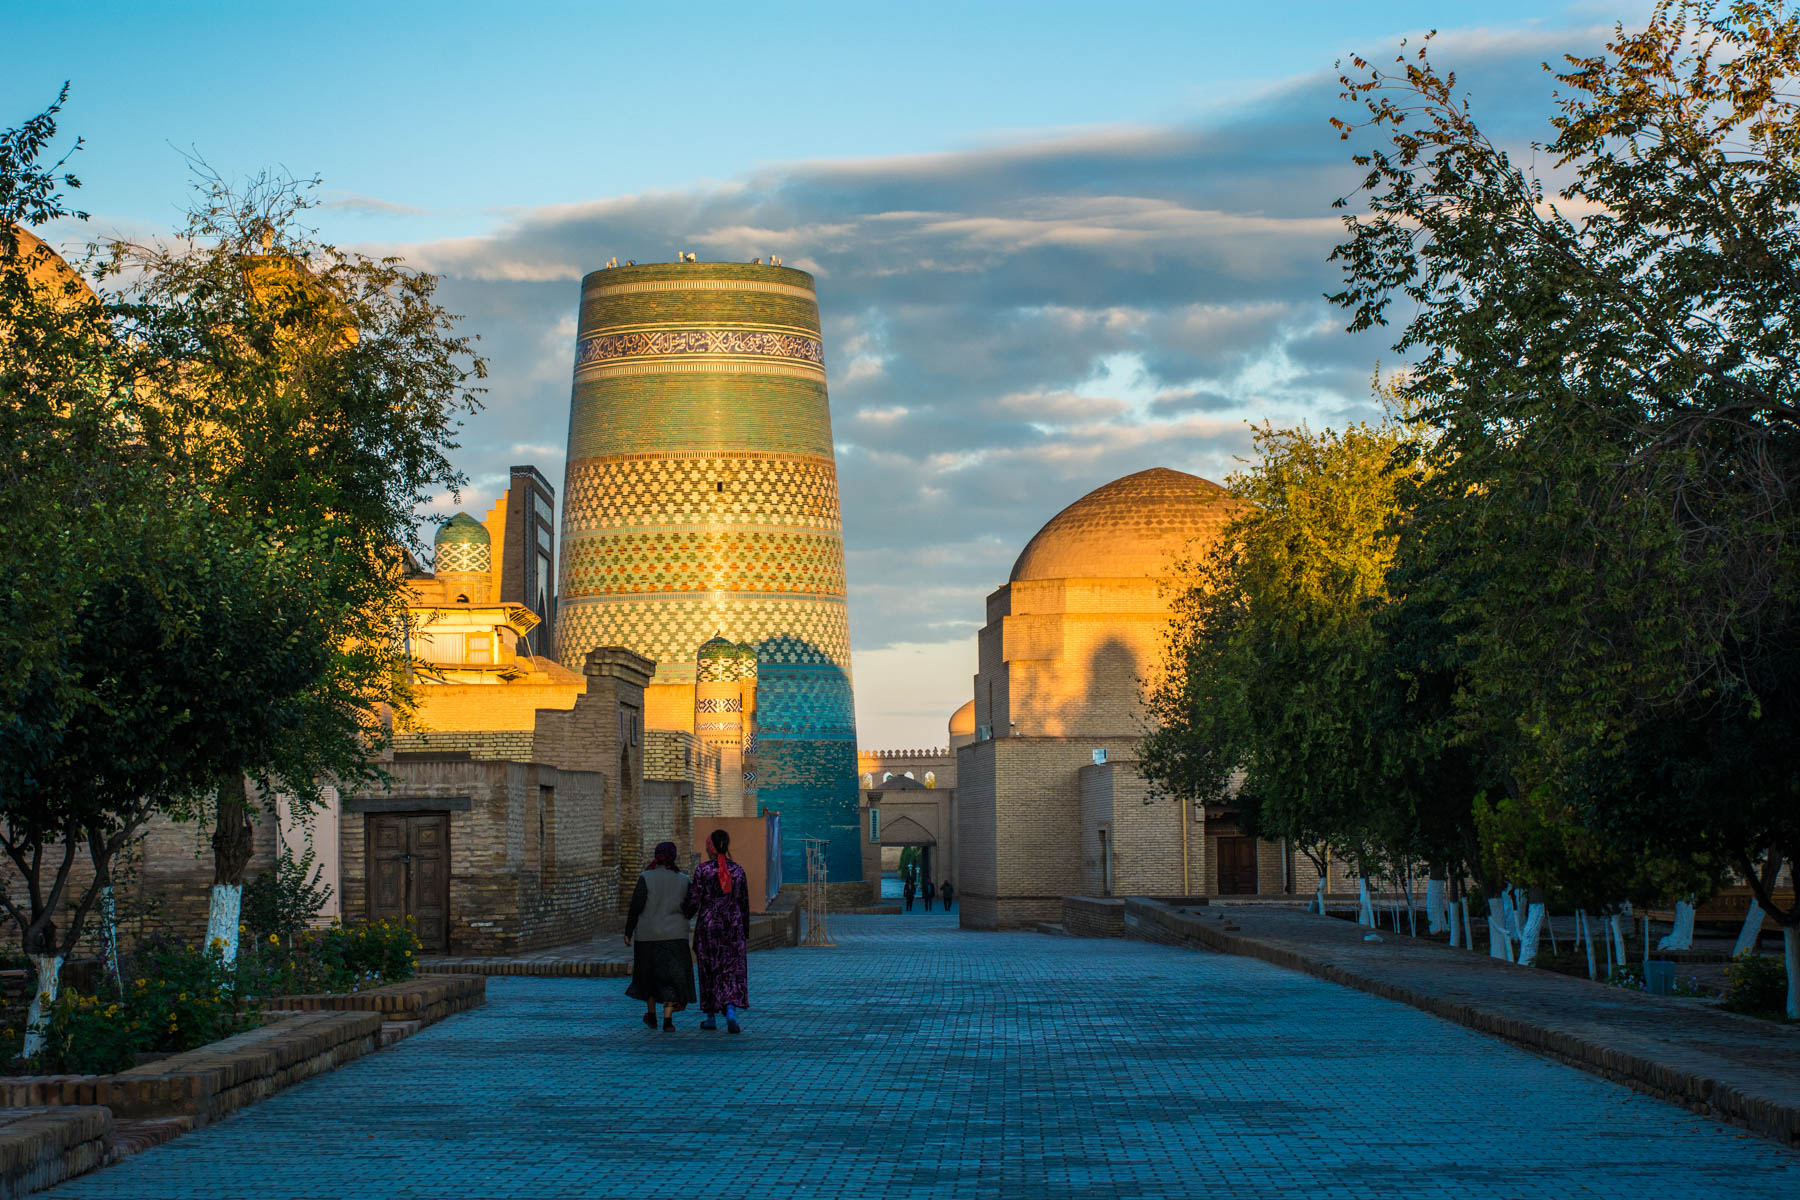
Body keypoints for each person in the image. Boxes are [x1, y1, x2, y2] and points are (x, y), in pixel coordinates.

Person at [624, 841, 697, 1031]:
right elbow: (691, 906)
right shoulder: (683, 879)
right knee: (671, 977)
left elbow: (636, 906)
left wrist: (628, 932)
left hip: (648, 936)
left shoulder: (645, 877)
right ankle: (668, 1019)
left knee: (649, 976)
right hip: (676, 936)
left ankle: (652, 1016)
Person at [687, 828, 750, 1033]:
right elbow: (744, 903)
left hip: (709, 928)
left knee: (709, 970)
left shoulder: (703, 871)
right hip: (733, 926)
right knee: (731, 970)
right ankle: (731, 1010)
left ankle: (711, 1017)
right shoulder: (738, 871)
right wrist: (745, 932)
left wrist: (681, 915)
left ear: (710, 847)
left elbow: (694, 901)